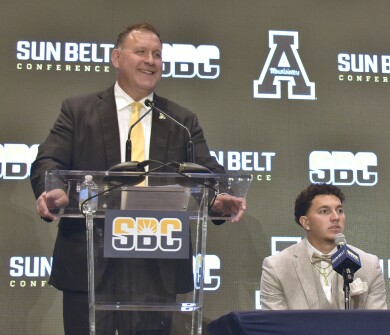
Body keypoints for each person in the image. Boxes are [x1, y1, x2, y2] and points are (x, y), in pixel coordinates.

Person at [30, 23, 247, 334]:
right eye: (141, 52)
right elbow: (48, 161)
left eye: (157, 54)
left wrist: (219, 197)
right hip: (92, 262)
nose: (151, 60)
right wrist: (55, 191)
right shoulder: (79, 111)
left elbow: (209, 172)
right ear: (117, 58)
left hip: (157, 263)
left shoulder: (180, 121)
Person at [260, 183, 387, 310]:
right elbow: (275, 325)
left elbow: (377, 324)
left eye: (339, 210)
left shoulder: (369, 265)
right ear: (305, 222)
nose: (336, 217)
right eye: (324, 211)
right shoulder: (277, 267)